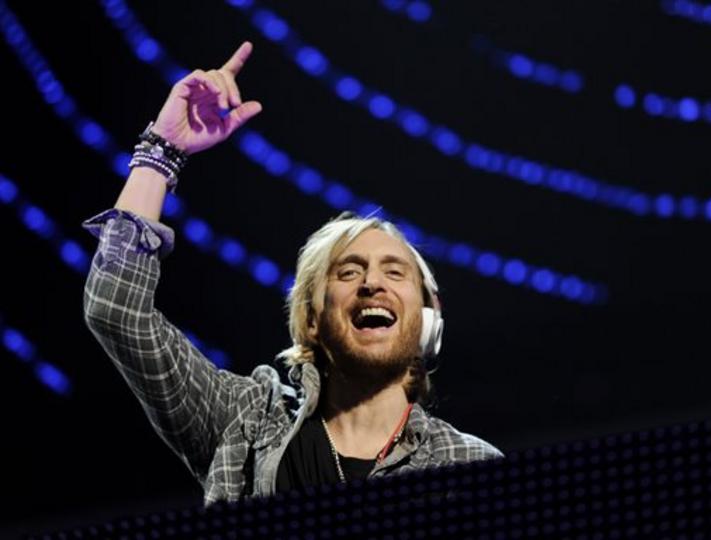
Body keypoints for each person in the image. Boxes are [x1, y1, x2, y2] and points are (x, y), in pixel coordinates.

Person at [83, 42, 503, 506]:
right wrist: (161, 154)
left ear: (428, 318)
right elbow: (116, 310)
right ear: (311, 319)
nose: (372, 283)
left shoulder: (469, 466)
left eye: (395, 272)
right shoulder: (245, 420)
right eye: (348, 271)